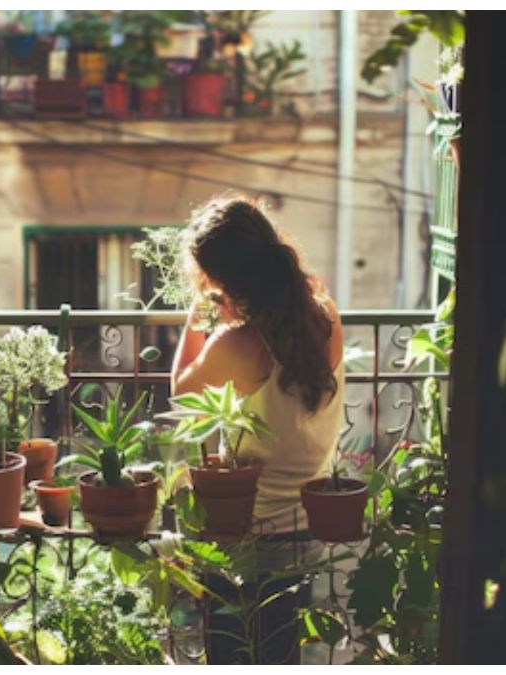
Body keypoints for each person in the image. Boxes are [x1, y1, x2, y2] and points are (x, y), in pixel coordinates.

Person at [170, 196, 346, 664]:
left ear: (220, 281)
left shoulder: (239, 344)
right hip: (305, 524)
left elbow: (181, 391)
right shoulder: (324, 316)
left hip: (243, 531)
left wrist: (196, 321)